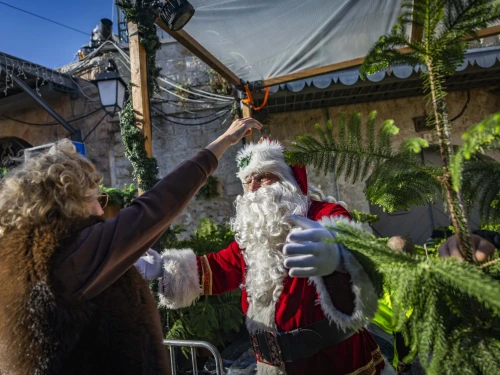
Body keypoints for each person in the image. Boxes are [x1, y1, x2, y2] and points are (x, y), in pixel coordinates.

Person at [0, 118, 262, 375]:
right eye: (97, 198)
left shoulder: (20, 256)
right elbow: (154, 207)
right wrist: (222, 143)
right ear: (70, 201)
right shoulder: (67, 255)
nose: (102, 209)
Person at [137, 138, 392, 375]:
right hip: (271, 366)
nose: (253, 188)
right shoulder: (254, 236)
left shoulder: (324, 215)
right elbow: (221, 267)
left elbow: (355, 249)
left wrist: (337, 259)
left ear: (288, 180)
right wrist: (164, 267)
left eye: (263, 177)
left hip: (331, 362)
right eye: (248, 180)